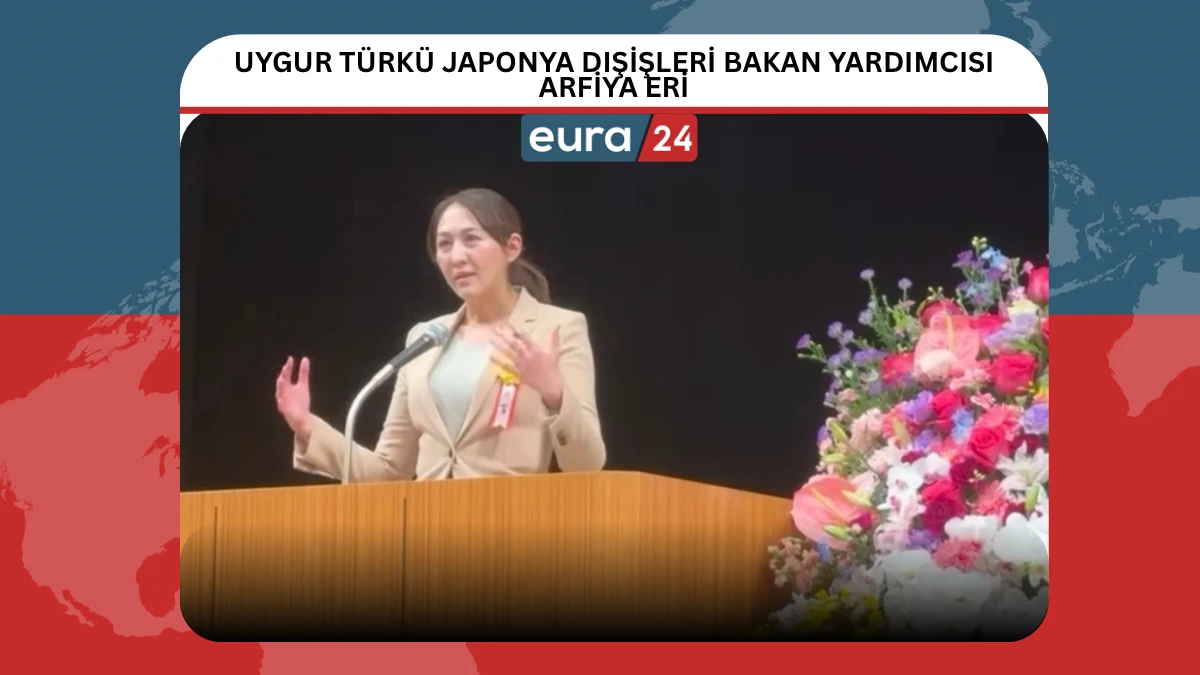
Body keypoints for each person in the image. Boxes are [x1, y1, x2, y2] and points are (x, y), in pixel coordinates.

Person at [274, 187, 607, 481]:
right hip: (428, 526)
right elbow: (389, 470)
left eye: (471, 239)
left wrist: (554, 393)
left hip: (511, 521)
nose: (457, 256)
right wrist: (307, 427)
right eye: (444, 244)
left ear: (512, 246)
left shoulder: (558, 328)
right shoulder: (425, 338)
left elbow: (587, 463)